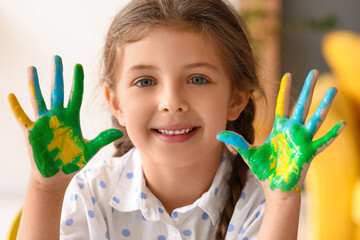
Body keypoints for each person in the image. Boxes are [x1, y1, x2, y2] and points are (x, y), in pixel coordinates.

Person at [8, 0, 345, 239]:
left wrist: (283, 201)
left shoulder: (261, 199)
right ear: (117, 104)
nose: (171, 103)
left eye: (197, 79)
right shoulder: (90, 191)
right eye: (145, 81)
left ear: (236, 98)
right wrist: (46, 189)